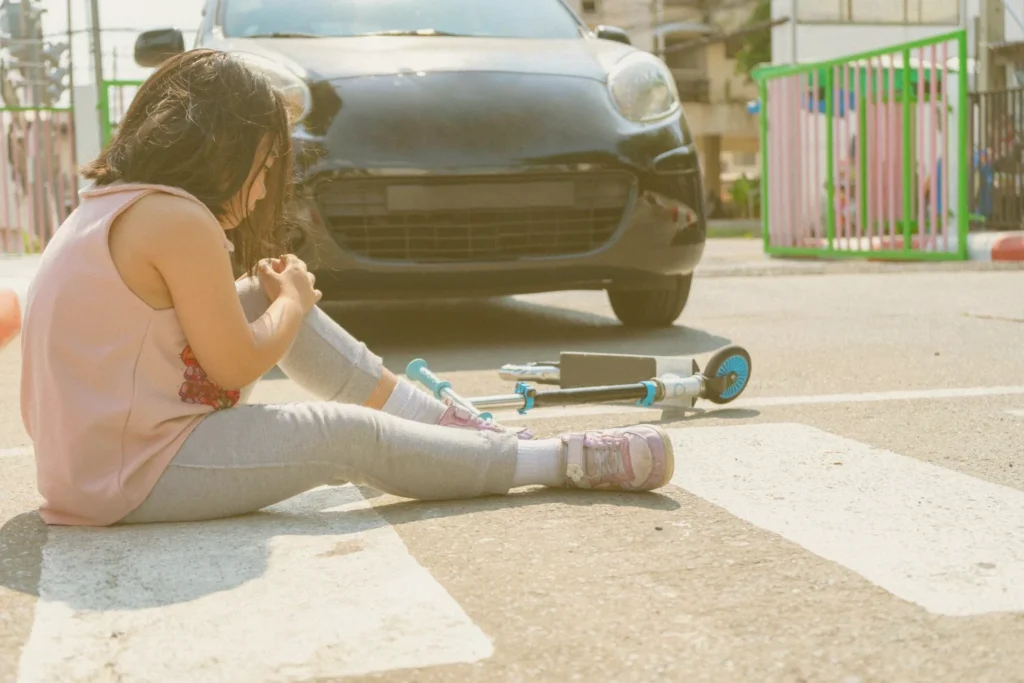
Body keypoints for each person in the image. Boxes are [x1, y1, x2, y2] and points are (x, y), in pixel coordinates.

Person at [19, 49, 675, 527]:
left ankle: (441, 424)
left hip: (98, 459)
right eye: (267, 167)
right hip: (131, 475)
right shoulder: (178, 220)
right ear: (228, 151)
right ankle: (557, 460)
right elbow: (236, 363)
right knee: (342, 434)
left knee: (261, 295)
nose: (257, 194)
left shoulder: (110, 203)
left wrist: (277, 303)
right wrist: (293, 301)